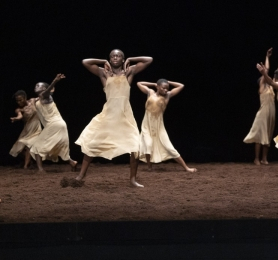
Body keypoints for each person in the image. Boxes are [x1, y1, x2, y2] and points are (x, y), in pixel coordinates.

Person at [75, 49, 152, 187]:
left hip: (125, 116)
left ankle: (133, 180)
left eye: (118, 56)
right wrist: (102, 61)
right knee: (92, 144)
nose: (115, 57)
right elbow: (85, 62)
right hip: (108, 115)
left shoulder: (129, 72)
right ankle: (81, 175)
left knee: (135, 147)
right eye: (112, 56)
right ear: (109, 60)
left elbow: (149, 59)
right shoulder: (104, 73)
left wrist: (131, 59)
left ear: (123, 59)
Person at [137, 79, 196, 172]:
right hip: (147, 125)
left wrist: (168, 82)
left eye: (167, 88)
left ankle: (186, 168)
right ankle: (149, 167)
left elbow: (181, 85)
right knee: (148, 145)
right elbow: (139, 83)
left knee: (169, 147)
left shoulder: (168, 96)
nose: (165, 90)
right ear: (158, 87)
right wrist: (154, 84)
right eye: (163, 88)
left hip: (159, 126)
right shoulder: (150, 92)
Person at [243, 48, 278, 165]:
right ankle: (256, 158)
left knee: (268, 135)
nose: (266, 77)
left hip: (271, 113)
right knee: (260, 136)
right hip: (262, 113)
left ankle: (264, 158)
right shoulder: (262, 87)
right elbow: (266, 70)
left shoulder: (272, 87)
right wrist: (267, 57)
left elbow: (276, 75)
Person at [29, 74, 77, 172]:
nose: (37, 86)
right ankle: (72, 162)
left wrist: (55, 80)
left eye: (40, 86)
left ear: (46, 89)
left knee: (36, 147)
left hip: (54, 125)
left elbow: (46, 92)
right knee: (59, 148)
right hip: (60, 124)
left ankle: (40, 170)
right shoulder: (39, 99)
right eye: (36, 85)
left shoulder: (46, 96)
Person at [9, 90, 42, 168]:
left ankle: (25, 166)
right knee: (17, 149)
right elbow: (19, 116)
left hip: (36, 129)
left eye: (20, 100)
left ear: (25, 98)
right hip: (27, 130)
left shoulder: (32, 101)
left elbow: (42, 97)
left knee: (28, 146)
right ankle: (29, 161)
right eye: (17, 101)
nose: (19, 102)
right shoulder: (19, 109)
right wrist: (16, 119)